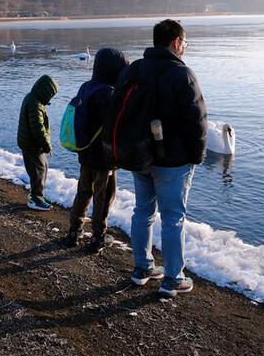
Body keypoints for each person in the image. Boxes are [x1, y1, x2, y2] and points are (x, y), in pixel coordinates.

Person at [121, 19, 207, 296]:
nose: (184, 48)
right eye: (185, 43)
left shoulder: (135, 69)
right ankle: (173, 278)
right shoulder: (182, 75)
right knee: (173, 218)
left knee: (142, 212)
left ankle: (142, 268)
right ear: (176, 43)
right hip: (173, 162)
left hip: (140, 157)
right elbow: (197, 122)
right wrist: (196, 157)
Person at [66, 47, 130, 253]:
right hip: (104, 158)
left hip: (84, 152)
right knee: (104, 196)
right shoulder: (108, 94)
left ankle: (74, 231)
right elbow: (116, 125)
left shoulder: (86, 87)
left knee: (83, 191)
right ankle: (98, 237)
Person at [17, 74, 59, 210]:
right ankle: (36, 199)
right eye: (50, 95)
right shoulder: (35, 104)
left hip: (31, 143)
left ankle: (37, 194)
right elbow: (38, 129)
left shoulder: (33, 99)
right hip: (32, 145)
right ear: (45, 92)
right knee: (38, 171)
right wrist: (47, 146)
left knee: (43, 167)